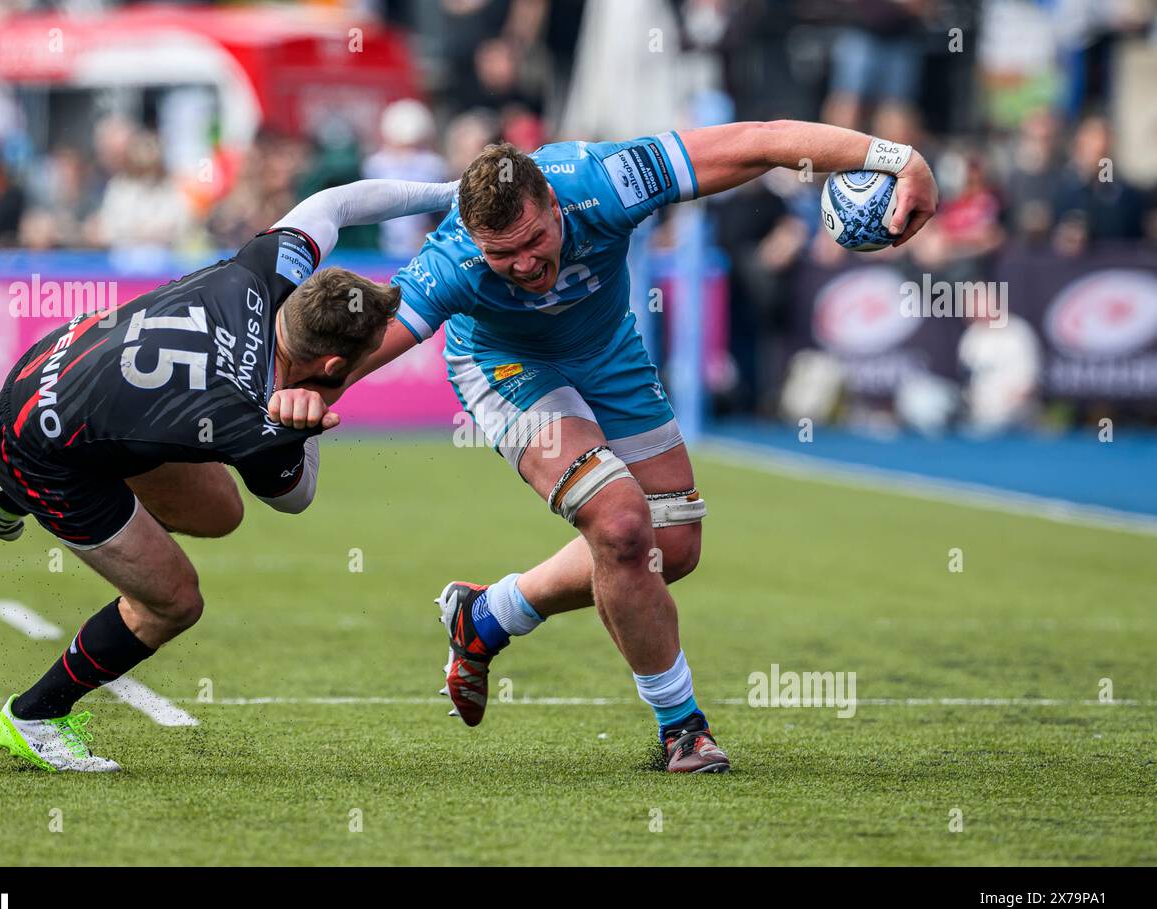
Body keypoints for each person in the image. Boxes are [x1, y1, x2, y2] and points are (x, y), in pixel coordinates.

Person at [273, 121, 937, 773]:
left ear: (555, 207)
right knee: (621, 526)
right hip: (508, 368)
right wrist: (297, 398)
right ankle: (683, 728)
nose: (525, 264)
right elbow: (349, 359)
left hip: (606, 350)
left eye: (535, 239)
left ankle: (489, 615)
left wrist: (897, 156)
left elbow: (758, 145)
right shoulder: (451, 261)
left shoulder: (606, 179)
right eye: (503, 255)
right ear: (476, 242)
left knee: (669, 549)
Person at [0, 177, 456, 772]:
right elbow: (298, 499)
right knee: (173, 601)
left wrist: (448, 191)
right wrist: (303, 420)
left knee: (219, 514)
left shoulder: (265, 269)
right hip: (39, 449)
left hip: (47, 368)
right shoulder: (245, 418)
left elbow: (336, 204)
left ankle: (5, 493)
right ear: (329, 366)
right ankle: (36, 714)